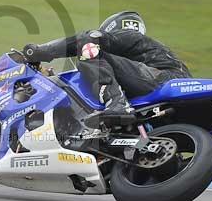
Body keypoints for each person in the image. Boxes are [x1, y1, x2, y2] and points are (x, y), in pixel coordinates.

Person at [23, 11, 191, 128]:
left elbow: (88, 38)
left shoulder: (129, 37)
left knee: (88, 50)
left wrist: (42, 52)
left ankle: (117, 104)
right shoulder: (136, 57)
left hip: (163, 80)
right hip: (168, 90)